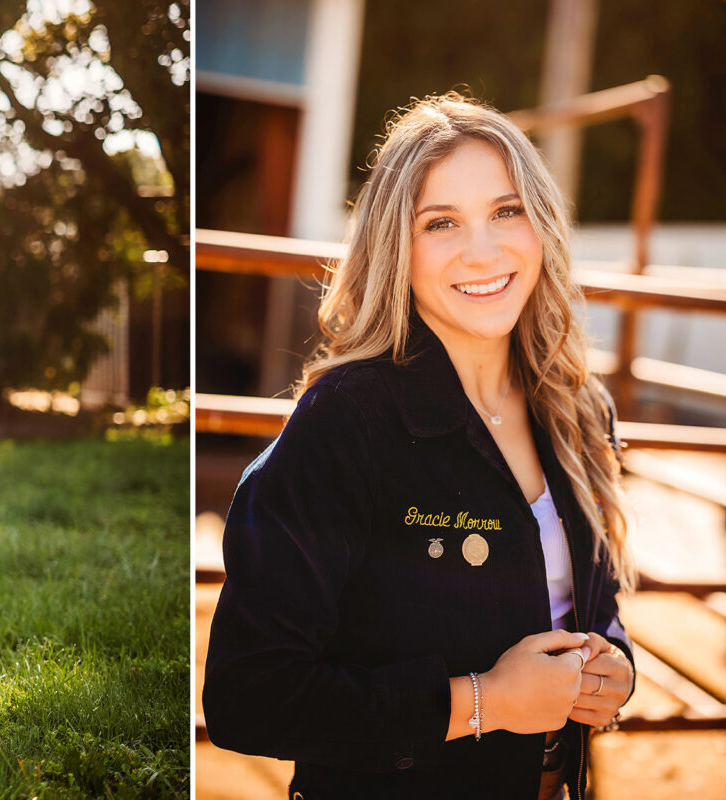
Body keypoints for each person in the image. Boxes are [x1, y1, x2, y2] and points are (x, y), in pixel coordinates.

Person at [201, 93, 636, 800]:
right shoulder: (347, 422)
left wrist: (616, 663)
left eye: (506, 210)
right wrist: (482, 701)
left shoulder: (578, 405)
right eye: (441, 223)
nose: (484, 250)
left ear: (542, 224)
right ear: (395, 250)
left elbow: (593, 598)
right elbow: (249, 697)